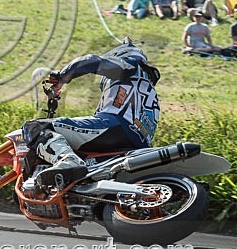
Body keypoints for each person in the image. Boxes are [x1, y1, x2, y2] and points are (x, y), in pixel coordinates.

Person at [21, 38, 161, 189]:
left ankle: (68, 160)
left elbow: (91, 61)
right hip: (137, 143)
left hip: (116, 127)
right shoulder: (146, 87)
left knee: (36, 126)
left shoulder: (129, 65)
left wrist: (62, 76)